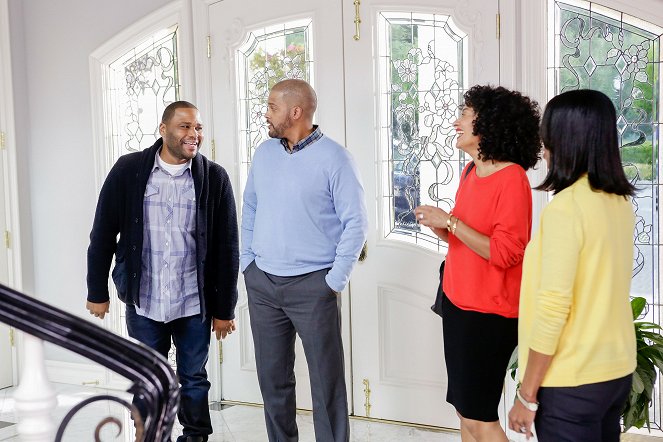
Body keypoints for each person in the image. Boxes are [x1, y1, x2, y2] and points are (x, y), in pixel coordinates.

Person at [86, 101, 239, 442]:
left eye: (198, 127)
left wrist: (225, 309)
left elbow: (227, 248)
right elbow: (103, 232)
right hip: (145, 300)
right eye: (185, 126)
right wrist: (96, 291)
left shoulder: (215, 178)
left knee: (194, 378)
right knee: (148, 376)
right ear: (163, 129)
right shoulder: (128, 170)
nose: (193, 134)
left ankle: (196, 436)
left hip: (192, 302)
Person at [241, 79, 368, 442]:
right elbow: (250, 205)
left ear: (295, 112)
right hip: (263, 283)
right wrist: (247, 262)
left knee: (326, 384)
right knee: (273, 381)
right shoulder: (264, 153)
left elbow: (356, 223)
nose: (266, 114)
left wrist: (334, 280)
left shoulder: (336, 158)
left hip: (314, 285)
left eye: (272, 107)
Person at [508, 89, 636, 441]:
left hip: (572, 381)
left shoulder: (566, 208)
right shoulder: (619, 203)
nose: (544, 152)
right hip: (615, 373)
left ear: (566, 142)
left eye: (548, 141)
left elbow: (553, 307)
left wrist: (527, 394)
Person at [415, 85, 541, 441]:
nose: (457, 123)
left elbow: (506, 253)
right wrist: (442, 224)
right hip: (457, 303)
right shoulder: (471, 172)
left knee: (481, 416)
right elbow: (465, 239)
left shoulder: (512, 178)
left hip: (489, 315)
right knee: (465, 412)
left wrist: (451, 221)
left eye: (465, 115)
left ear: (489, 123)